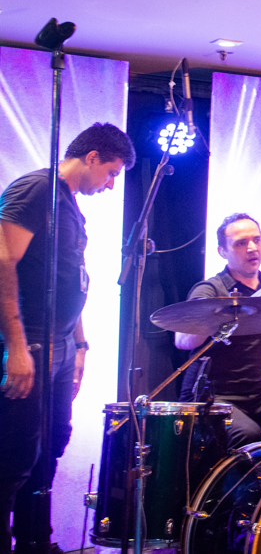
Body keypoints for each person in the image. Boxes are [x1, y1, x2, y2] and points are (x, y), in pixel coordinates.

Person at [0, 123, 135, 554]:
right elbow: (3, 261)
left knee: (50, 445)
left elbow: (71, 279)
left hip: (59, 344)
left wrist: (80, 345)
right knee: (15, 454)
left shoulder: (69, 205)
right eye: (111, 173)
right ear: (92, 157)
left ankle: (35, 541)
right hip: (31, 340)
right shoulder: (37, 189)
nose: (111, 184)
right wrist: (16, 347)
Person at [174, 213, 261, 447]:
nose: (252, 248)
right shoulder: (209, 291)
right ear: (222, 252)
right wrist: (215, 314)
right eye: (241, 243)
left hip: (257, 393)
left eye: (256, 240)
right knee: (247, 434)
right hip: (212, 395)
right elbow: (182, 340)